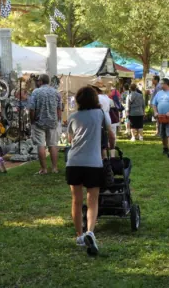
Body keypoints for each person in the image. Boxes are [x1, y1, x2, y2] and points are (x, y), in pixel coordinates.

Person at [65, 86, 116, 256]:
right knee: (92, 200)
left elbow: (70, 140)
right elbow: (111, 134)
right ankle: (90, 232)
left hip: (73, 162)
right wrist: (111, 146)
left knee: (76, 201)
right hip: (94, 162)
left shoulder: (73, 117)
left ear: (78, 100)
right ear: (95, 99)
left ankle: (79, 235)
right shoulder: (101, 115)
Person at [28, 74, 62, 174]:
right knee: (53, 145)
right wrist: (58, 120)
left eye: (38, 80)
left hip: (39, 122)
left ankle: (44, 169)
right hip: (53, 122)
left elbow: (32, 109)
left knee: (41, 145)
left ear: (41, 81)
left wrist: (32, 120)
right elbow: (59, 108)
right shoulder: (56, 92)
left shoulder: (36, 92)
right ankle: (54, 168)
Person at [152, 78, 169, 158]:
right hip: (160, 117)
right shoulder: (159, 93)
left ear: (166, 84)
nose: (160, 85)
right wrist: (155, 112)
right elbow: (154, 104)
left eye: (161, 84)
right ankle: (165, 148)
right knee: (162, 134)